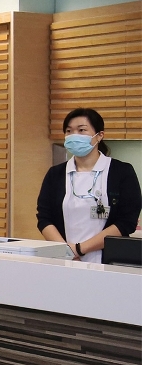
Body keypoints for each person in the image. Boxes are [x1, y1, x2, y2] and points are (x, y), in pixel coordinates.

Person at [37, 108, 141, 263]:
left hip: (109, 262)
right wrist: (66, 251)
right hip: (64, 260)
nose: (74, 135)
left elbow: (127, 221)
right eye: (69, 131)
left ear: (99, 135)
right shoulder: (55, 174)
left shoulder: (122, 172)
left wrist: (79, 249)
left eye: (81, 130)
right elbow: (44, 218)